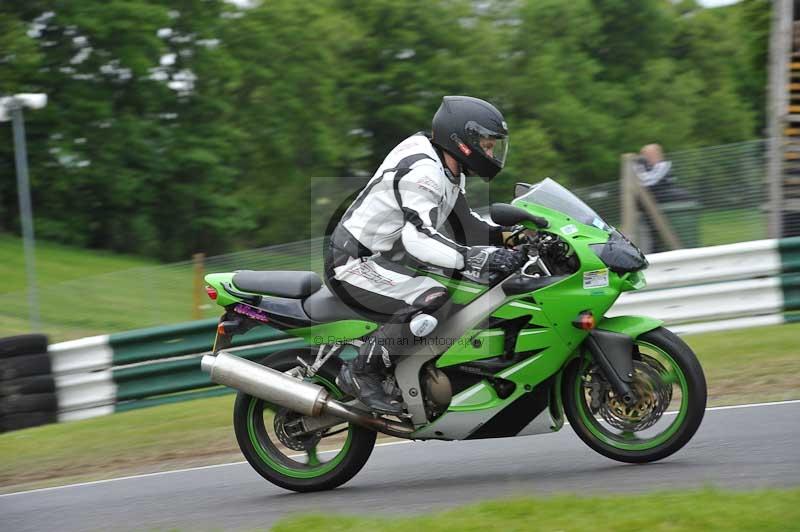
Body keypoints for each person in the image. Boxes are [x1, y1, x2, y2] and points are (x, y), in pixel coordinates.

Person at [324, 95, 526, 414]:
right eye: (486, 145)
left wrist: (511, 238)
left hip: (386, 261)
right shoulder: (424, 171)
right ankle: (362, 372)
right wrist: (476, 259)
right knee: (434, 297)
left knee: (461, 294)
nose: (490, 153)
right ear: (462, 139)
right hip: (353, 263)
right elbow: (418, 238)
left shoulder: (447, 167)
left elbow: (465, 225)